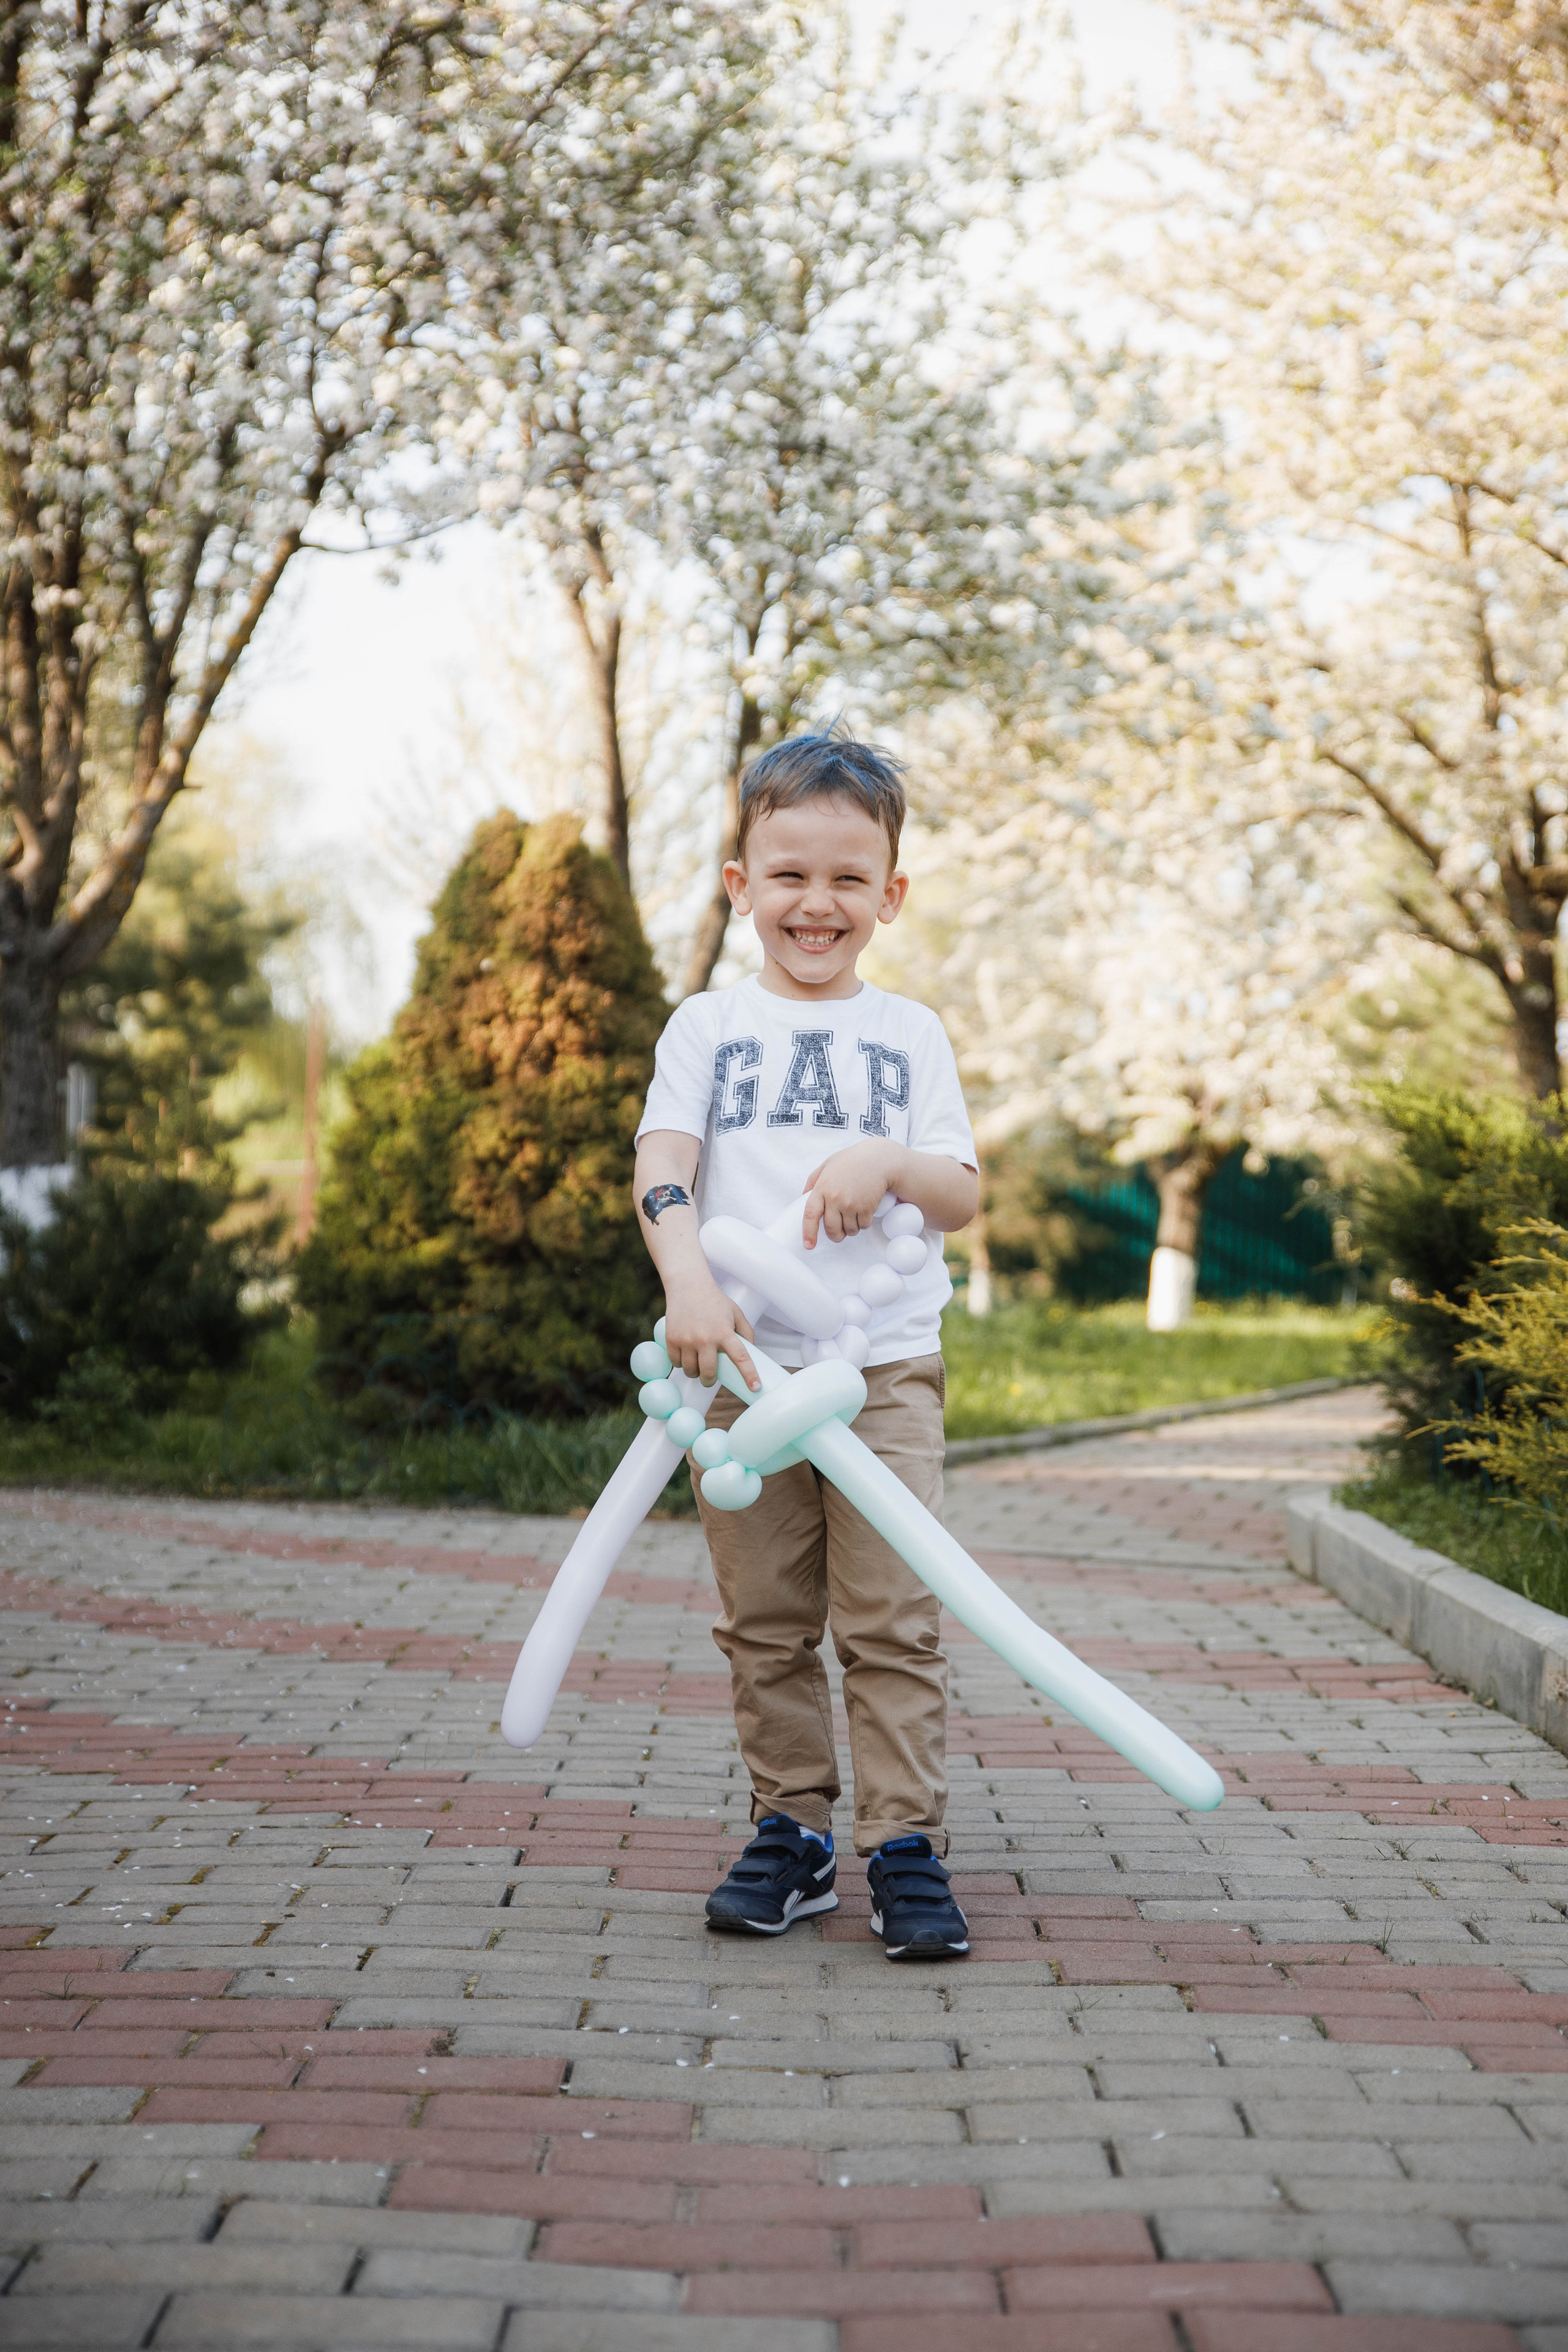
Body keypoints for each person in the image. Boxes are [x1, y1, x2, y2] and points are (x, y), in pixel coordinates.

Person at [633, 731, 979, 1961]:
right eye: (787, 876)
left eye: (846, 879)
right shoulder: (705, 1029)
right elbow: (663, 1165)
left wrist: (886, 1161)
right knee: (765, 1620)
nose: (814, 903)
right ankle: (791, 1833)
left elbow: (957, 1192)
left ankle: (903, 1847)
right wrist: (686, 1276)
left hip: (879, 1370)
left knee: (890, 1620)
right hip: (736, 1375)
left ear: (888, 895)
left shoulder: (909, 1036)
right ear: (739, 885)